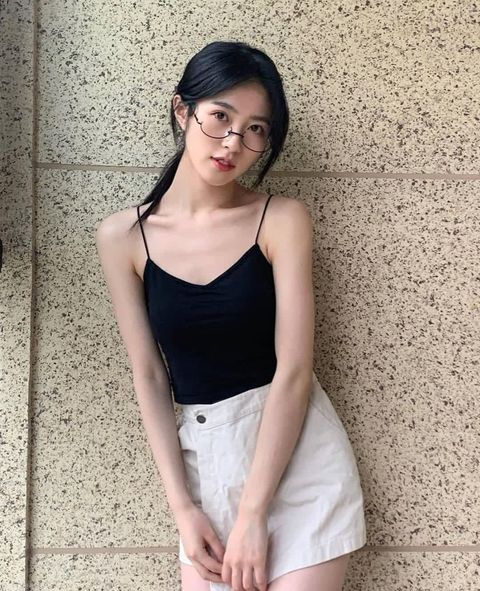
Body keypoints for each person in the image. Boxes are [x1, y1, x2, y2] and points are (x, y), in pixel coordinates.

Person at [96, 40, 366, 591]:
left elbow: (294, 371)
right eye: (220, 117)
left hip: (297, 459)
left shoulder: (281, 220)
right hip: (204, 464)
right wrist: (182, 508)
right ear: (182, 110)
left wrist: (253, 513)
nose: (233, 143)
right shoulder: (123, 237)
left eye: (255, 129)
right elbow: (149, 375)